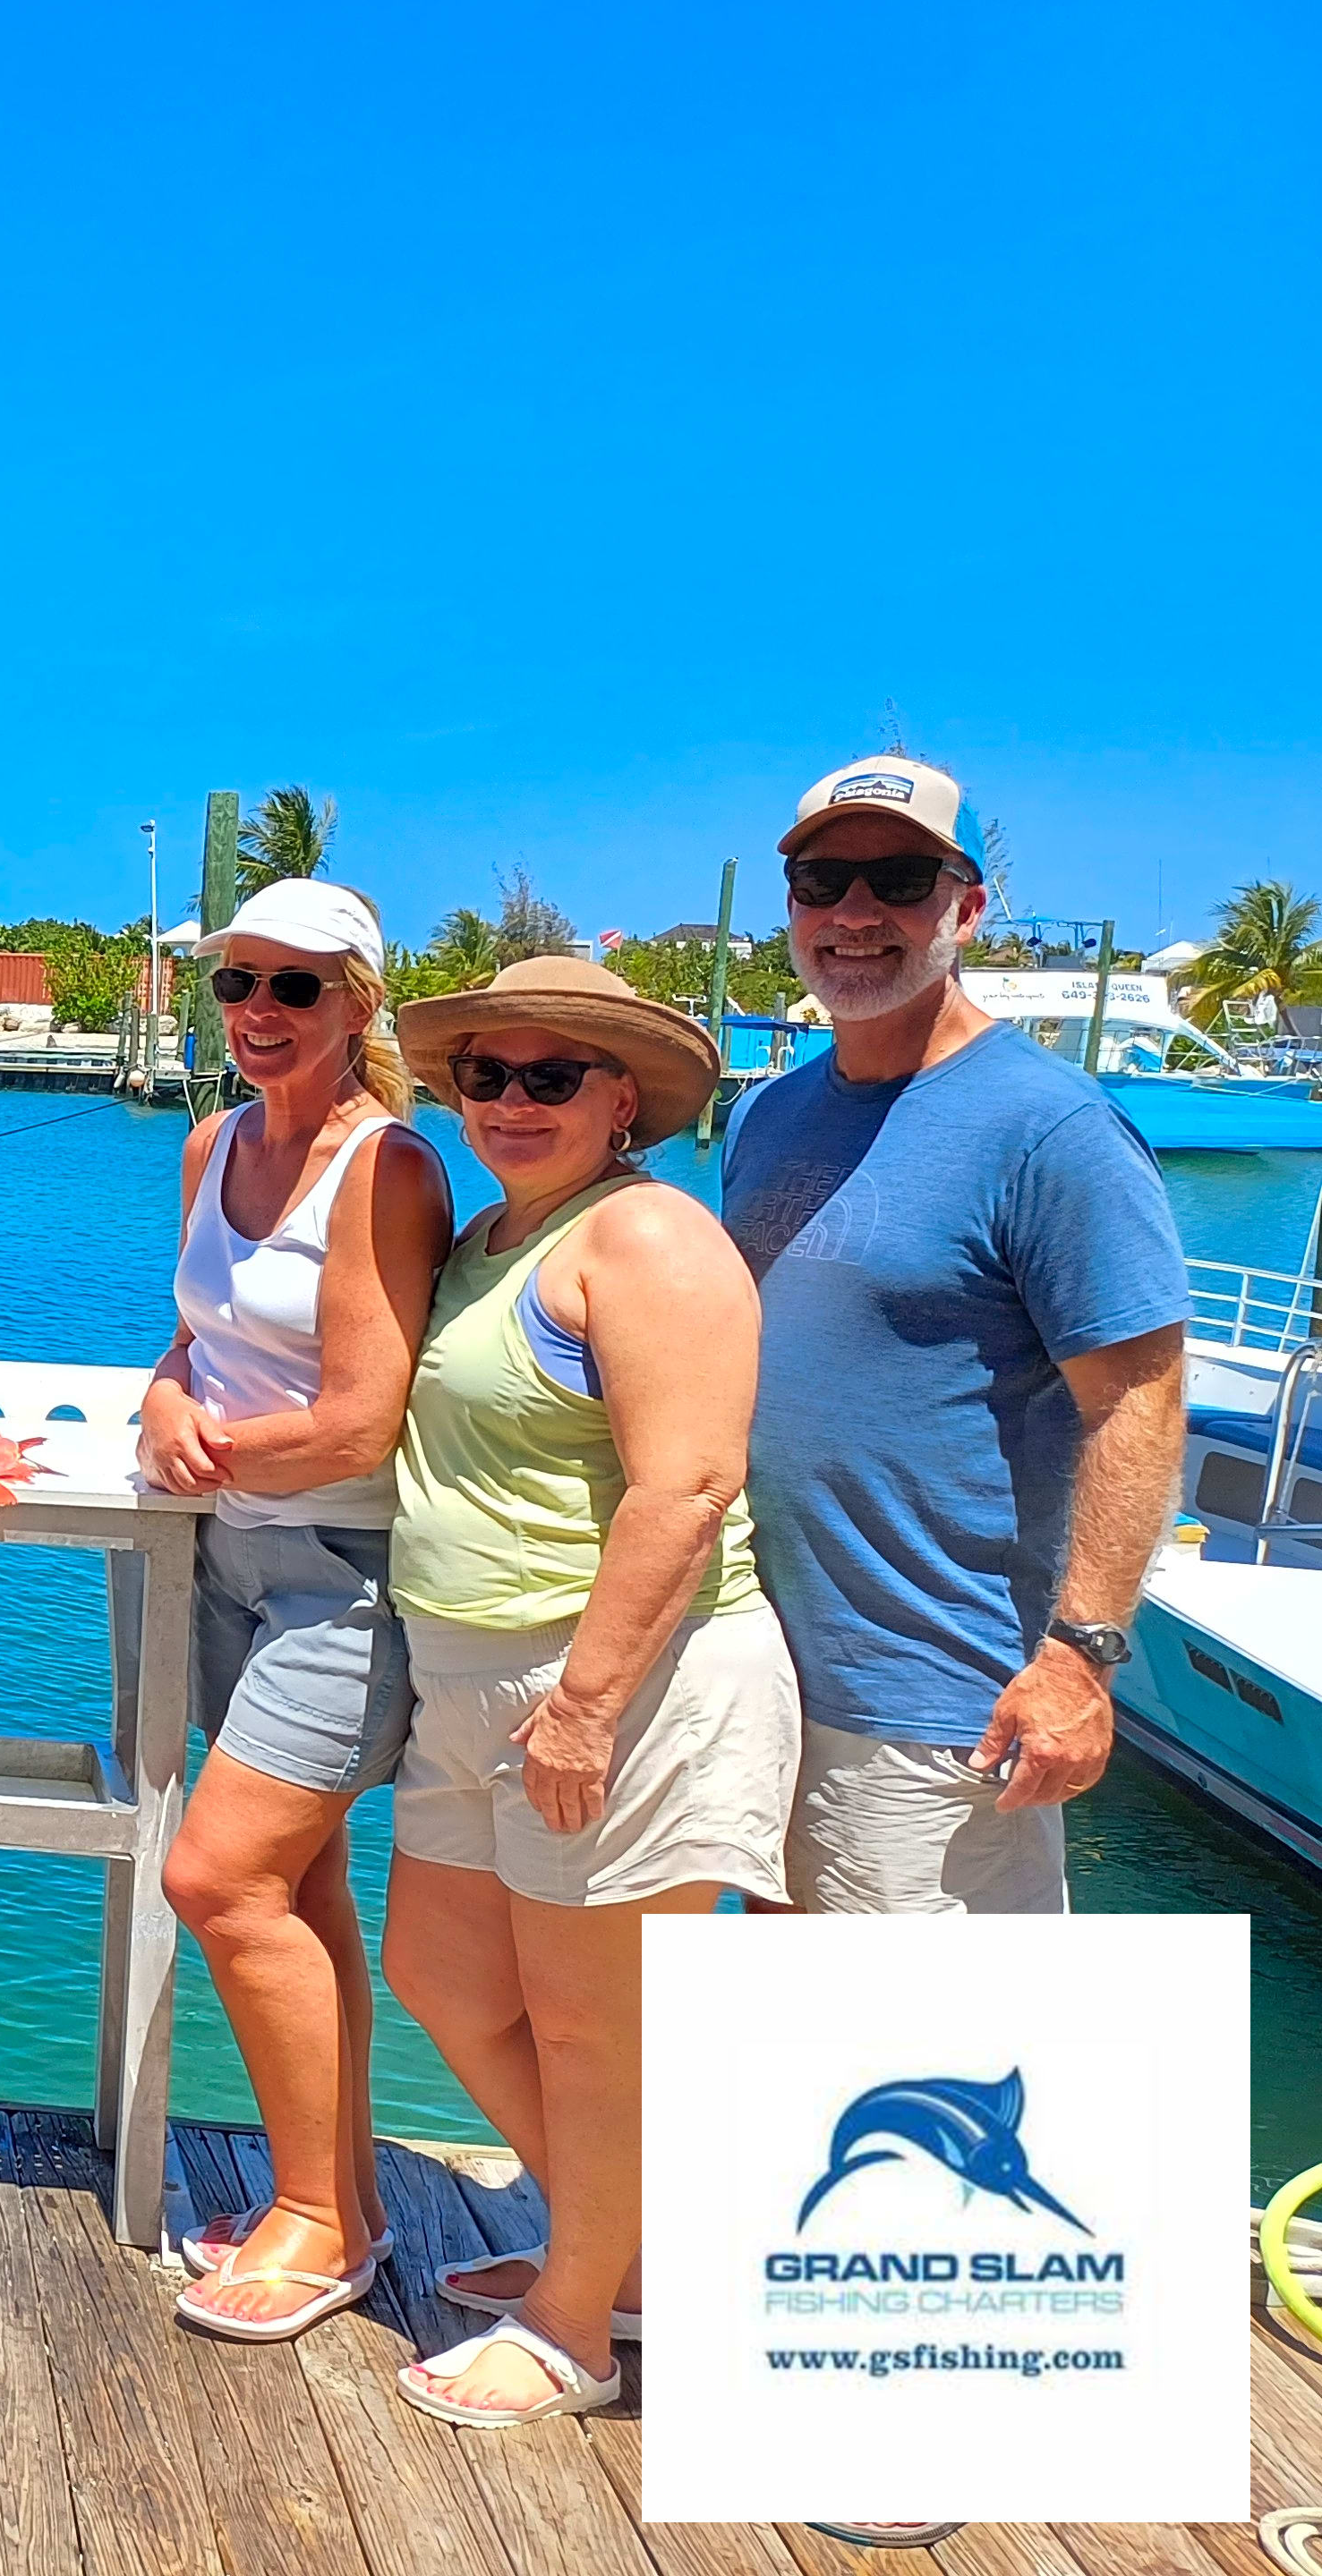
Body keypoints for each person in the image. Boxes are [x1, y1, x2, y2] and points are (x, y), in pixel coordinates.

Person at [376, 958, 798, 2427]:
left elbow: (687, 1483)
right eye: (484, 1074)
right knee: (436, 1972)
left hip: (622, 1684)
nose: (508, 1100)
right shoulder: (492, 1235)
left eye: (550, 1078)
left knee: (585, 2024)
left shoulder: (650, 1239)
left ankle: (577, 2324)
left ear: (623, 1099)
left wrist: (588, 1704)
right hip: (471, 1680)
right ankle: (620, 2251)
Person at [722, 758, 1190, 1916]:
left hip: (941, 1710)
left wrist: (1082, 1658)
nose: (856, 913)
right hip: (759, 1681)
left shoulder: (1054, 1128)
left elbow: (1140, 1400)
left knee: (936, 2068)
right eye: (824, 879)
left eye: (901, 878)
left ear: (969, 906)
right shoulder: (767, 1116)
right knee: (786, 2074)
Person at [139, 880, 450, 2342]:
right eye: (237, 985)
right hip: (230, 1567)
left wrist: (207, 1449)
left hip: (340, 1570)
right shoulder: (213, 1145)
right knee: (300, 1889)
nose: (259, 1014)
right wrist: (158, 1398)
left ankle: (320, 2224)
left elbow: (360, 1421)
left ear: (359, 1006)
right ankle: (341, 2203)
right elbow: (198, 1333)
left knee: (217, 1882)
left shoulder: (386, 1169)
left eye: (295, 989)